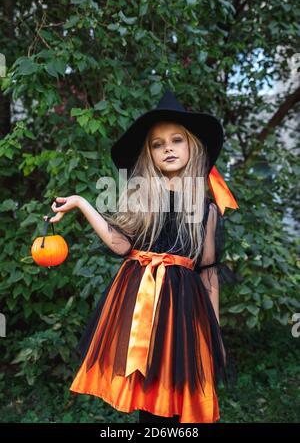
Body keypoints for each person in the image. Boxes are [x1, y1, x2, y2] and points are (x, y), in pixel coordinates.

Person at [45, 90, 238, 424]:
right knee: (148, 393)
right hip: (141, 307)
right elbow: (121, 246)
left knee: (177, 390)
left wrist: (214, 332)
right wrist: (80, 202)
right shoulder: (143, 197)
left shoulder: (206, 209)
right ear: (149, 154)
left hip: (183, 310)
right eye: (157, 144)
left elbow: (208, 274)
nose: (168, 149)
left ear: (192, 146)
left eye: (176, 140)